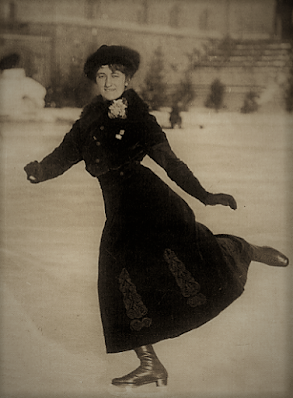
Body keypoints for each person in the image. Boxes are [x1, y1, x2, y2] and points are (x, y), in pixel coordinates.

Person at [24, 45, 289, 389]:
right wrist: (40, 171)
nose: (107, 82)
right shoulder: (88, 117)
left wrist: (205, 195)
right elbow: (65, 154)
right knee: (117, 284)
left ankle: (247, 249)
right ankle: (151, 365)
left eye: (114, 75)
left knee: (196, 255)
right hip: (120, 211)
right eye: (101, 76)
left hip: (153, 204)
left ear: (128, 78)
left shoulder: (139, 117)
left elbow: (170, 162)